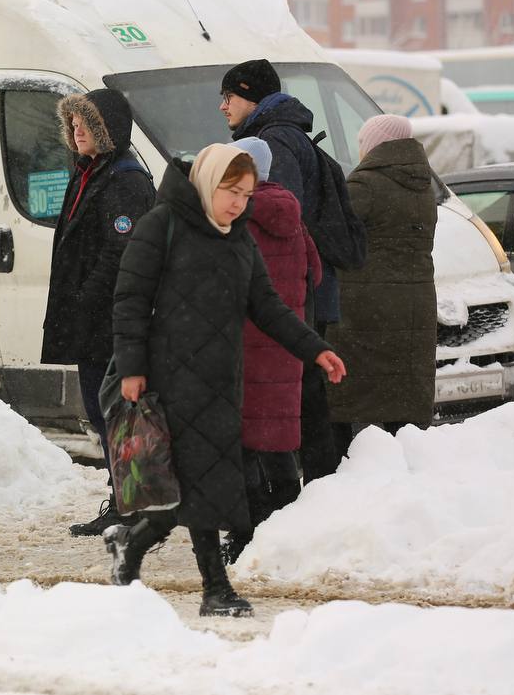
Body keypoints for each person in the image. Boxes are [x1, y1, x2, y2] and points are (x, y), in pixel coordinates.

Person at [105, 144, 346, 617]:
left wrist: (313, 348)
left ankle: (130, 545)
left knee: (201, 479)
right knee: (200, 479)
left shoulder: (238, 237)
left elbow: (268, 304)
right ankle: (215, 589)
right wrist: (132, 367)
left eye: (245, 193)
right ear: (205, 181)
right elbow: (130, 298)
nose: (238, 202)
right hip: (169, 373)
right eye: (229, 191)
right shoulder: (163, 224)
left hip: (223, 377)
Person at [221, 58, 345, 483]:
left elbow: (282, 221)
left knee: (296, 390)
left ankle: (306, 488)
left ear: (251, 96)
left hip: (288, 294)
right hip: (299, 290)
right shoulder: (284, 135)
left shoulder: (273, 142)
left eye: (229, 96)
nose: (223, 107)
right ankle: (311, 484)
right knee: (298, 388)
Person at [39, 89, 155, 537]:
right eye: (72, 122)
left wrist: (84, 297)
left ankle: (132, 507)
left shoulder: (123, 179)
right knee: (103, 409)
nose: (76, 129)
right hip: (93, 320)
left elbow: (120, 251)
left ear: (108, 129)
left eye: (85, 122)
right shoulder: (91, 171)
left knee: (116, 412)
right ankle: (129, 501)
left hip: (110, 321)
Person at [222, 137, 321, 564]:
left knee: (238, 439)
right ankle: (286, 521)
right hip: (284, 343)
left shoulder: (235, 217)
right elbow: (314, 274)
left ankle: (247, 531)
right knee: (279, 436)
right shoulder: (294, 217)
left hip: (241, 344)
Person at [327, 115, 436, 451]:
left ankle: (350, 475)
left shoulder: (365, 187)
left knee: (352, 401)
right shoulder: (423, 186)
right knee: (403, 406)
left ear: (374, 146)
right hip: (414, 306)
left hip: (367, 310)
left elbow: (333, 236)